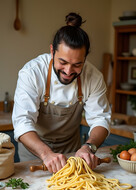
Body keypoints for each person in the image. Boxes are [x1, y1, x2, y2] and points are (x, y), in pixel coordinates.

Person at [12, 12, 111, 173]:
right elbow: (22, 122)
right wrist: (46, 154)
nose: (68, 71)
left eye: (77, 64)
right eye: (62, 62)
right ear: (52, 51)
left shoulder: (94, 77)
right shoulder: (32, 72)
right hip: (35, 153)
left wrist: (89, 147)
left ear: (85, 59)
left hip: (72, 151)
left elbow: (101, 119)